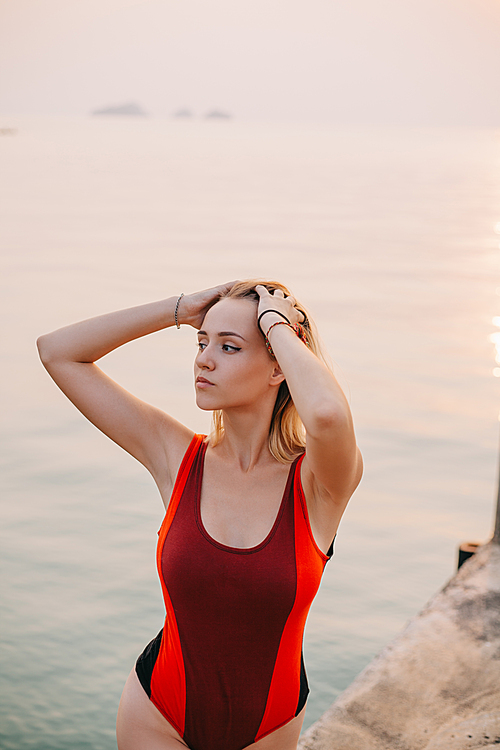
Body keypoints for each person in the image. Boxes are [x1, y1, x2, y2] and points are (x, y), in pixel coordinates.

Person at [37, 279, 363, 750]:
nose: (204, 359)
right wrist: (180, 308)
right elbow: (58, 352)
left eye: (229, 347)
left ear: (279, 367)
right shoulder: (176, 456)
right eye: (202, 342)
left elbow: (328, 414)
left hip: (267, 726)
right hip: (157, 712)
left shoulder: (320, 483)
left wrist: (277, 325)